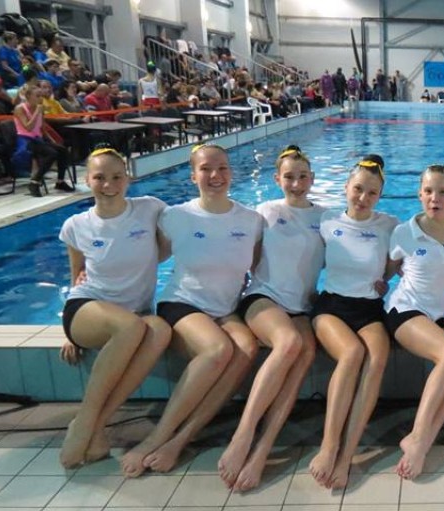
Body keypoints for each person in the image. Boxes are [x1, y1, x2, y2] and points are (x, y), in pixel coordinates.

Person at [120, 144, 264, 478]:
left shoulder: (251, 220)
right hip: (183, 303)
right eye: (206, 169)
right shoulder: (175, 217)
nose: (215, 175)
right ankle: (156, 437)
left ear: (231, 172)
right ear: (192, 175)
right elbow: (143, 263)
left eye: (222, 168)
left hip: (226, 309)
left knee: (246, 348)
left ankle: (181, 439)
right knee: (218, 349)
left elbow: (260, 271)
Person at [56, 146, 172, 469]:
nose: (108, 185)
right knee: (131, 326)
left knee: (160, 330)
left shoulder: (150, 209)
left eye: (116, 177)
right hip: (88, 308)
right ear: (87, 180)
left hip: (134, 317)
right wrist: (70, 334)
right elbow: (76, 277)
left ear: (128, 179)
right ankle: (83, 425)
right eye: (100, 177)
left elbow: (165, 251)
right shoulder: (76, 225)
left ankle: (96, 425)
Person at [218, 145, 325, 491]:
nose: (296, 183)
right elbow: (238, 254)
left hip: (302, 308)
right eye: (289, 177)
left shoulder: (325, 218)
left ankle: (263, 449)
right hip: (263, 298)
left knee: (304, 353)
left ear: (312, 179)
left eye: (302, 176)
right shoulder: (264, 212)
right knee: (289, 342)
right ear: (277, 178)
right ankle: (244, 433)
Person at [309, 155, 397, 489]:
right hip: (331, 306)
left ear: (380, 196)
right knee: (351, 353)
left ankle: (347, 454)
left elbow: (398, 262)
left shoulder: (389, 225)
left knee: (377, 359)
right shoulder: (327, 220)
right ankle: (329, 445)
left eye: (371, 193)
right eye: (358, 189)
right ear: (346, 187)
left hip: (369, 309)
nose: (363, 197)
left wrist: (385, 280)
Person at [386, 164, 444, 480]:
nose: (436, 197)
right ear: (420, 194)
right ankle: (418, 437)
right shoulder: (404, 232)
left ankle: (425, 438)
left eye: (443, 192)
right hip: (405, 310)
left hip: (436, 315)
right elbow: (389, 269)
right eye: (429, 191)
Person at [12, 84, 74, 197]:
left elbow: (42, 128)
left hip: (38, 139)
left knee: (62, 150)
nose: (40, 98)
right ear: (28, 96)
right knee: (51, 153)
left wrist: (52, 141)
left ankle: (60, 181)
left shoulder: (39, 108)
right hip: (26, 141)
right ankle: (34, 182)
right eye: (37, 96)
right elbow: (28, 127)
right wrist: (37, 112)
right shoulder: (20, 108)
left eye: (40, 96)